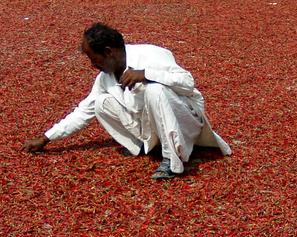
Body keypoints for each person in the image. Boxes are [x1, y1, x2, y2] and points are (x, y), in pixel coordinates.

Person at [22, 23, 231, 180]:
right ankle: (143, 147)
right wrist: (46, 138)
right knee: (101, 103)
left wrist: (147, 74)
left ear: (108, 52)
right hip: (151, 125)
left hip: (185, 119)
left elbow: (188, 83)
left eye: (93, 58)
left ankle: (172, 161)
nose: (92, 64)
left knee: (154, 90)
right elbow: (83, 111)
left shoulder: (151, 55)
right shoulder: (106, 77)